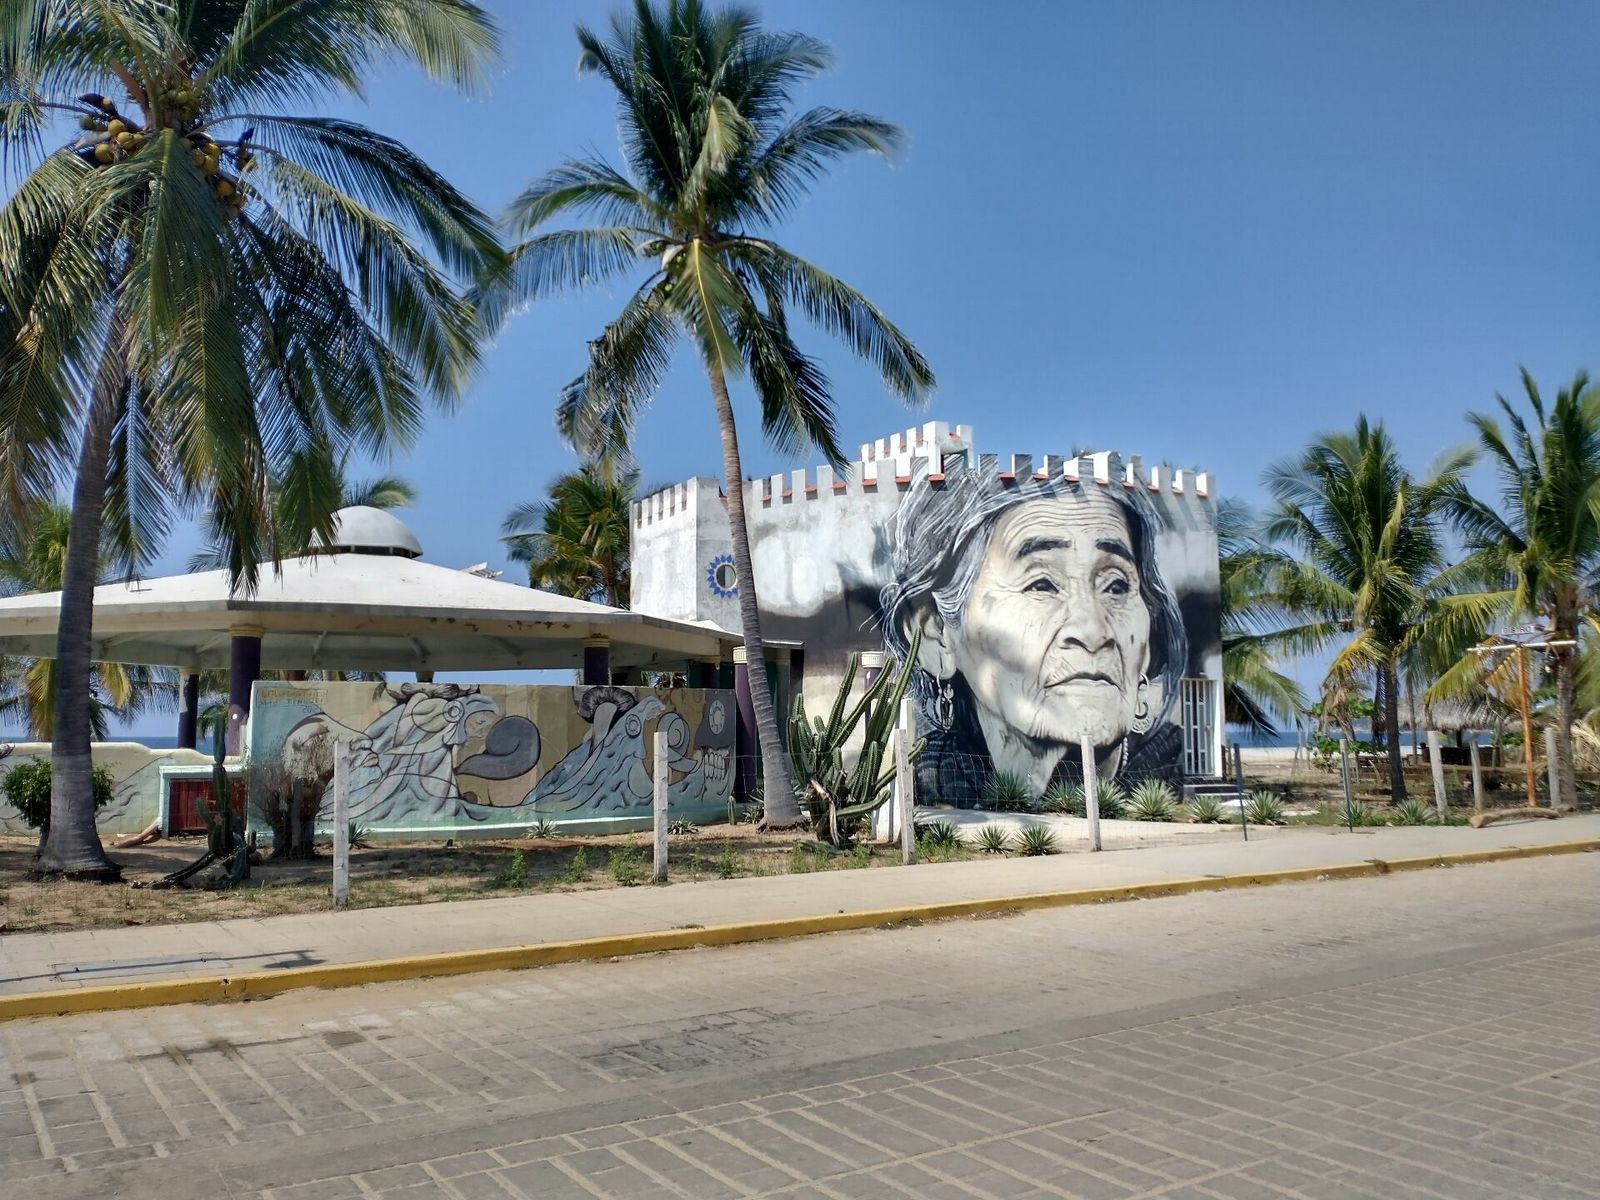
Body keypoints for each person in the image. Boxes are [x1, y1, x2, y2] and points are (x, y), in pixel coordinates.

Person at [880, 460, 1187, 805]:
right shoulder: (926, 779)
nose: (1092, 631)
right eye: (1042, 584)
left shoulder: (1169, 771)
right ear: (937, 635)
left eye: (1116, 586)